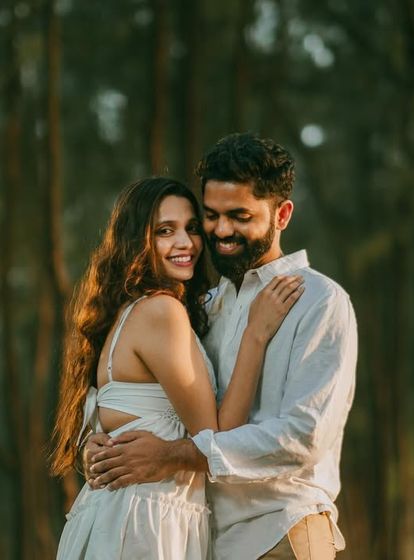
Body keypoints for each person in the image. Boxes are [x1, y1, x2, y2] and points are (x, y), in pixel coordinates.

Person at [86, 133, 358, 560]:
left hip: (279, 531)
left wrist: (175, 456)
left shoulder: (319, 301)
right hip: (203, 538)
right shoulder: (206, 307)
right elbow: (155, 398)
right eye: (210, 216)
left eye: (240, 216)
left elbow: (303, 437)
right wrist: (100, 441)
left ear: (282, 214)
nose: (222, 231)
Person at [51, 176, 303, 559]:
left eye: (191, 228)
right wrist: (255, 334)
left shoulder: (129, 312)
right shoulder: (160, 311)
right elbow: (217, 437)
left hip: (114, 516)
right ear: (137, 240)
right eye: (165, 231)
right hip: (145, 523)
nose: (186, 243)